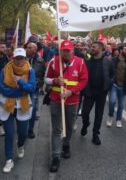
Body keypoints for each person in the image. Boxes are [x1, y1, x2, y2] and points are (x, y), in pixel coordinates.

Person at [45, 40, 88, 172]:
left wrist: (71, 91)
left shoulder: (80, 62)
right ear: (60, 51)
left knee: (69, 126)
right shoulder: (54, 61)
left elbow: (84, 80)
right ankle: (56, 156)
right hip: (56, 100)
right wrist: (55, 81)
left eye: (68, 51)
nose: (66, 53)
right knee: (57, 129)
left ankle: (66, 144)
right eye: (64, 50)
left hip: (73, 100)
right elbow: (46, 78)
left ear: (72, 51)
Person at [0, 48, 36, 173]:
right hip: (7, 107)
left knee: (23, 133)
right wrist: (19, 91)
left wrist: (20, 82)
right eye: (17, 58)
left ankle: (20, 145)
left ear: (25, 58)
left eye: (21, 58)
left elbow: (32, 88)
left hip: (23, 107)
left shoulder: (30, 70)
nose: (19, 60)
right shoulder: (5, 70)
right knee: (9, 134)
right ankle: (9, 159)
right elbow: (2, 88)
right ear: (13, 58)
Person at [81, 42, 114, 145]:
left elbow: (112, 75)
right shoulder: (87, 61)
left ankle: (95, 135)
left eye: (94, 47)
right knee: (84, 113)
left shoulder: (108, 61)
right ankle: (85, 124)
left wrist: (108, 85)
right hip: (89, 92)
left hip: (102, 92)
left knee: (98, 115)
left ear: (100, 48)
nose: (92, 48)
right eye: (91, 47)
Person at [107, 45, 126, 128]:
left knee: (121, 105)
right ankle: (110, 116)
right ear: (121, 50)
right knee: (112, 102)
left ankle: (118, 120)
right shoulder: (113, 60)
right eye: (125, 49)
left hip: (123, 86)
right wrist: (110, 81)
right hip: (114, 85)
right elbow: (109, 71)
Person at [26, 42, 46, 139]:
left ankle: (30, 130)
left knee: (32, 109)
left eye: (30, 48)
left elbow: (43, 76)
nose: (27, 49)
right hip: (22, 89)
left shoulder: (40, 61)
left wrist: (36, 85)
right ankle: (22, 126)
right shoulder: (21, 59)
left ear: (35, 49)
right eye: (27, 47)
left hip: (33, 89)